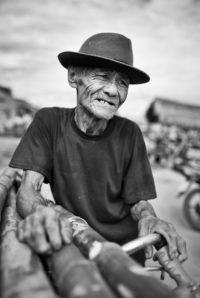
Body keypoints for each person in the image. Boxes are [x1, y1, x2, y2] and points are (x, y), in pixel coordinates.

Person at [9, 32, 187, 265]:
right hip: (76, 247)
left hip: (126, 252)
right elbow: (28, 191)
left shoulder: (130, 133)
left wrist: (149, 218)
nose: (113, 91)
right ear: (73, 76)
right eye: (102, 76)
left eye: (122, 82)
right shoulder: (48, 122)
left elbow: (139, 202)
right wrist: (42, 212)